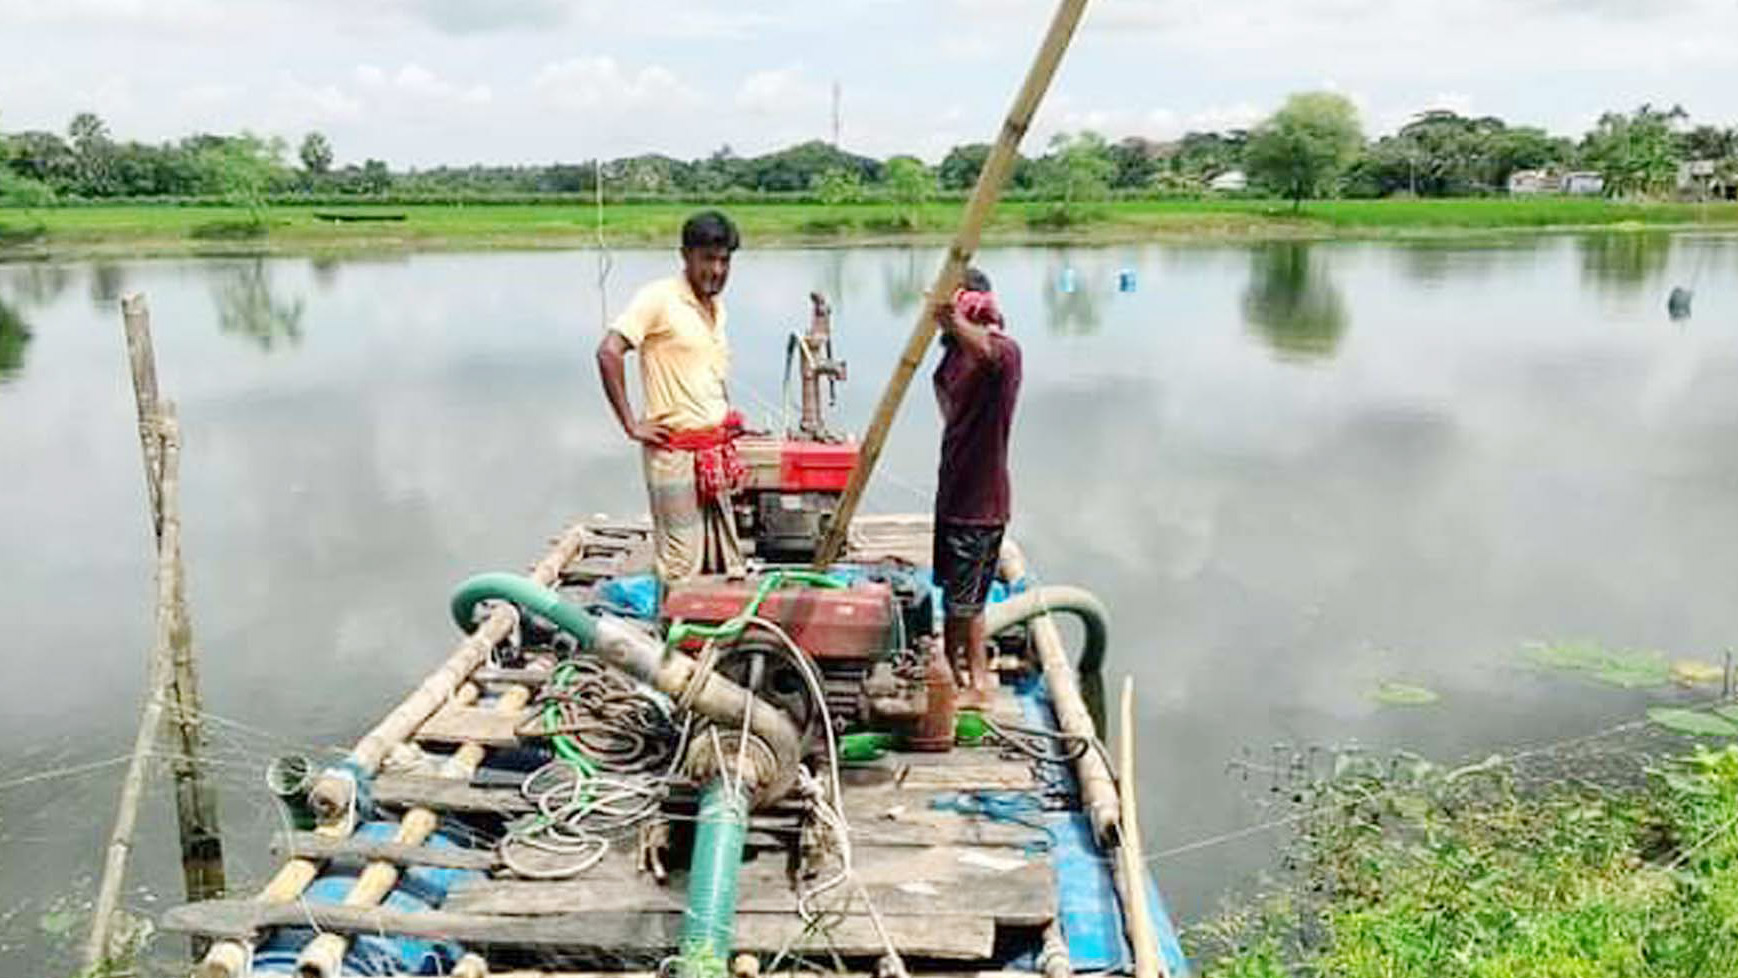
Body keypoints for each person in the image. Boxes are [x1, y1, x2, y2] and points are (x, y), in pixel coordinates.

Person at [596, 210, 746, 586]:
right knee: (680, 564)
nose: (717, 270)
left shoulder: (716, 309)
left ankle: (707, 639)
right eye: (708, 259)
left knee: (719, 557)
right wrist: (631, 424)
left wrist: (724, 418)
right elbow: (608, 352)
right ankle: (670, 636)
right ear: (686, 256)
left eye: (724, 260)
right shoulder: (659, 299)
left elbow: (709, 375)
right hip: (674, 452)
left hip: (713, 452)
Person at [932, 267, 1022, 709]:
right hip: (953, 497)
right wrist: (951, 335)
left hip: (981, 504)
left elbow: (989, 353)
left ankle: (979, 684)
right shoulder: (955, 359)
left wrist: (956, 322)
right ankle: (949, 671)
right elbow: (945, 400)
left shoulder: (1004, 355)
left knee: (966, 602)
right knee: (957, 597)